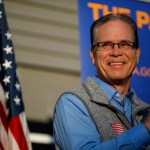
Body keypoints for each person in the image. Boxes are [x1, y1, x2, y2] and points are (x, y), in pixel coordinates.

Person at [53, 13, 150, 150]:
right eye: (106, 44)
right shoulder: (73, 103)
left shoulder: (145, 111)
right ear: (93, 55)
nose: (116, 52)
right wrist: (145, 130)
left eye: (124, 44)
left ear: (137, 54)